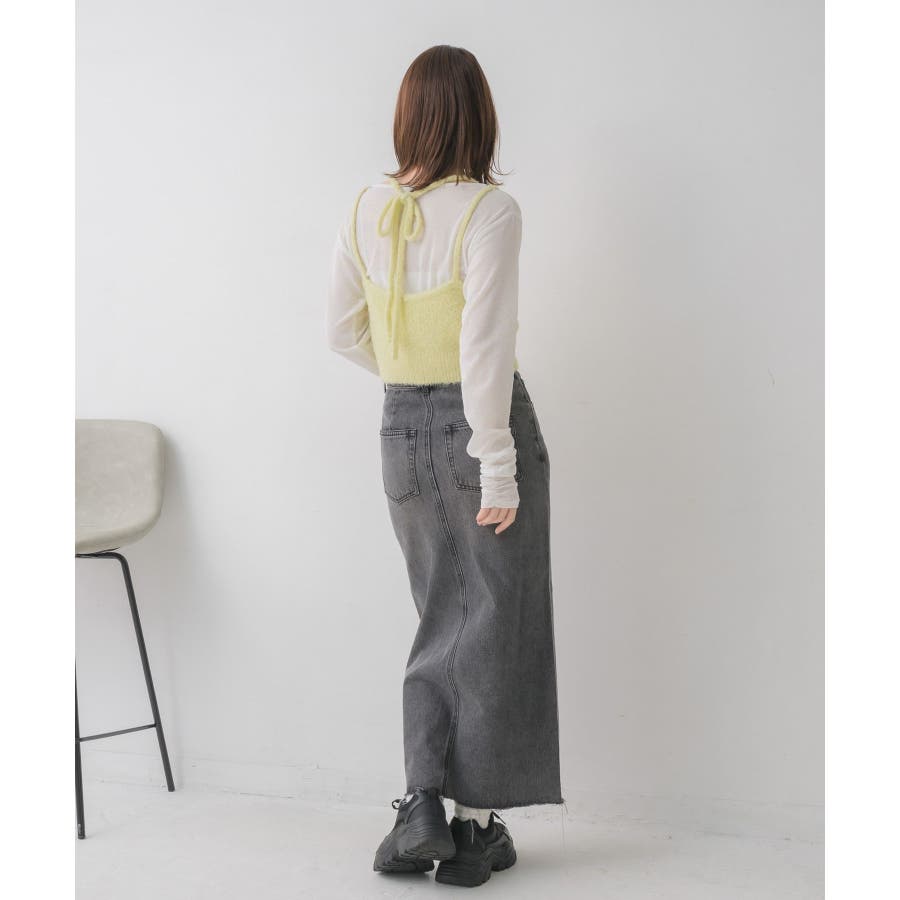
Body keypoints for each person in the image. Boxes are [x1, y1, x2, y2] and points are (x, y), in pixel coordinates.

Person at [326, 44, 563, 888]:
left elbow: (342, 332)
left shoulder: (365, 206)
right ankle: (474, 828)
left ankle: (420, 805)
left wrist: (409, 388)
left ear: (408, 115)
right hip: (475, 429)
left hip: (400, 428)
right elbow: (484, 348)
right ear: (479, 117)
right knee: (494, 621)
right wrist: (495, 464)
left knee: (439, 614)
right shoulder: (490, 211)